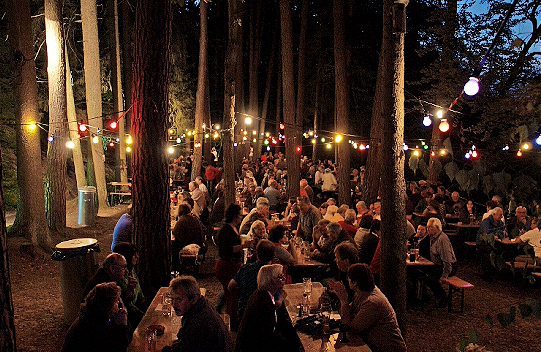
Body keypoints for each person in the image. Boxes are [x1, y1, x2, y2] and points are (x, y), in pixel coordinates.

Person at [328, 263, 407, 352]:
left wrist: (343, 300)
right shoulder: (361, 292)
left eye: (349, 278)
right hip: (371, 345)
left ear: (355, 283)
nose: (347, 280)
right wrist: (342, 299)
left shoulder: (372, 302)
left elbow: (350, 328)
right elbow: (347, 315)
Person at [235, 264, 302, 352]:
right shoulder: (263, 305)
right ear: (271, 281)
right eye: (281, 277)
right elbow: (267, 338)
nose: (284, 279)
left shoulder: (262, 294)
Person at [162, 276, 234, 352]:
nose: (174, 304)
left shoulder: (198, 323)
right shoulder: (202, 305)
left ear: (194, 298)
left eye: (179, 299)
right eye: (172, 299)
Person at [61, 282, 130, 352]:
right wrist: (122, 326)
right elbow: (120, 348)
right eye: (116, 301)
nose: (119, 304)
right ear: (108, 306)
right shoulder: (94, 328)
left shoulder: (92, 317)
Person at [215, 203, 253, 330]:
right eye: (239, 215)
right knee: (232, 292)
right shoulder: (226, 230)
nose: (241, 218)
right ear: (234, 216)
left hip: (231, 264)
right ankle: (232, 321)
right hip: (227, 265)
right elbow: (227, 250)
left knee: (229, 292)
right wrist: (245, 245)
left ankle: (223, 313)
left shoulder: (233, 228)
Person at [229, 239, 276, 319]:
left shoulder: (245, 268)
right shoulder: (274, 273)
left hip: (243, 312)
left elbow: (230, 286)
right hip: (264, 315)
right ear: (273, 256)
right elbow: (277, 301)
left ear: (257, 254)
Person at [112, 242, 146, 328]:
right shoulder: (119, 277)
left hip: (135, 311)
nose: (137, 257)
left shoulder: (131, 270)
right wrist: (143, 315)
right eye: (134, 255)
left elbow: (140, 294)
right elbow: (126, 305)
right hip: (126, 317)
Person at [426, 217, 457, 307]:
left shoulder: (442, 240)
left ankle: (443, 298)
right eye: (427, 227)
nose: (428, 229)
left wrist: (444, 275)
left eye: (430, 227)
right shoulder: (431, 237)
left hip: (447, 266)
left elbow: (447, 260)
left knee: (431, 279)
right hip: (437, 265)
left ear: (437, 227)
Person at [171, 203, 205, 271]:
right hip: (199, 243)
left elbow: (175, 234)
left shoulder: (181, 221)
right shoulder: (195, 219)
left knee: (172, 247)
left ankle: (176, 267)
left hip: (187, 244)